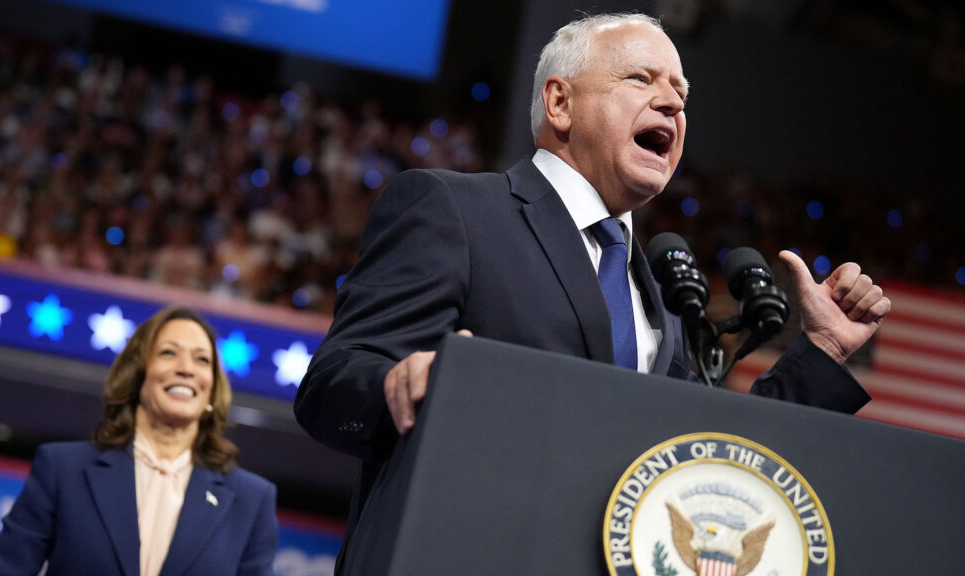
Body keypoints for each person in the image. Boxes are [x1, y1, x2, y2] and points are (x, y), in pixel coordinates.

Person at [294, 12, 890, 572]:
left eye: (682, 95)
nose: (672, 103)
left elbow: (718, 460)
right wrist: (401, 384)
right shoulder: (455, 210)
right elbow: (331, 386)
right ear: (560, 102)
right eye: (641, 78)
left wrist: (825, 353)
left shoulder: (660, 295)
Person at [0, 307, 278, 576]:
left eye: (202, 359)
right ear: (137, 374)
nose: (187, 369)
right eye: (168, 353)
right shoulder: (62, 469)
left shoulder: (251, 500)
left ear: (212, 390)